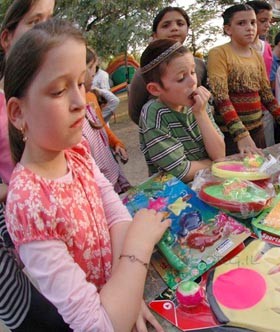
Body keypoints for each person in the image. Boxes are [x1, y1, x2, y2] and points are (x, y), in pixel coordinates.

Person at [5, 19, 170, 332]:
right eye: (58, 91)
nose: (81, 102)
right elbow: (100, 326)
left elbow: (114, 213)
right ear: (18, 113)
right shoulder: (28, 204)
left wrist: (128, 292)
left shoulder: (76, 150)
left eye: (81, 83)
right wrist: (138, 248)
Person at [0, 1, 71, 331]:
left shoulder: (61, 88)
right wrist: (13, 192)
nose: (46, 29)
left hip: (66, 217)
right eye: (35, 22)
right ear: (7, 38)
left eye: (50, 19)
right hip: (18, 226)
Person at [207, 4, 280, 155]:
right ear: (228, 29)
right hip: (231, 135)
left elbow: (266, 95)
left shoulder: (257, 56)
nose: (250, 27)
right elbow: (221, 98)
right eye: (241, 23)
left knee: (260, 173)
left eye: (252, 22)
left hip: (257, 131)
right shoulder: (218, 53)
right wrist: (241, 135)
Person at [139, 39, 225, 182]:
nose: (193, 82)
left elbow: (219, 154)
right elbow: (181, 171)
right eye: (181, 78)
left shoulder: (198, 105)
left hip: (207, 184)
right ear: (155, 89)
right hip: (175, 195)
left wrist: (201, 114)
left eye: (193, 72)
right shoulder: (154, 114)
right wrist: (214, 164)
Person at [128, 6, 207, 125]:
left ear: (187, 29)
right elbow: (135, 113)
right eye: (166, 25)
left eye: (180, 24)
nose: (174, 28)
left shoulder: (199, 64)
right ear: (155, 35)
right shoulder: (145, 72)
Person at [84, 47, 131, 194]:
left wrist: (116, 143)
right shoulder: (73, 110)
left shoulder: (91, 97)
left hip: (111, 170)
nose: (94, 73)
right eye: (92, 67)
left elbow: (101, 127)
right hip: (99, 182)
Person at [247, 1, 276, 148]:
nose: (267, 25)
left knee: (268, 151)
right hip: (243, 114)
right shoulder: (233, 51)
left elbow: (269, 81)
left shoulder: (267, 48)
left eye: (269, 21)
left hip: (265, 110)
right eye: (263, 21)